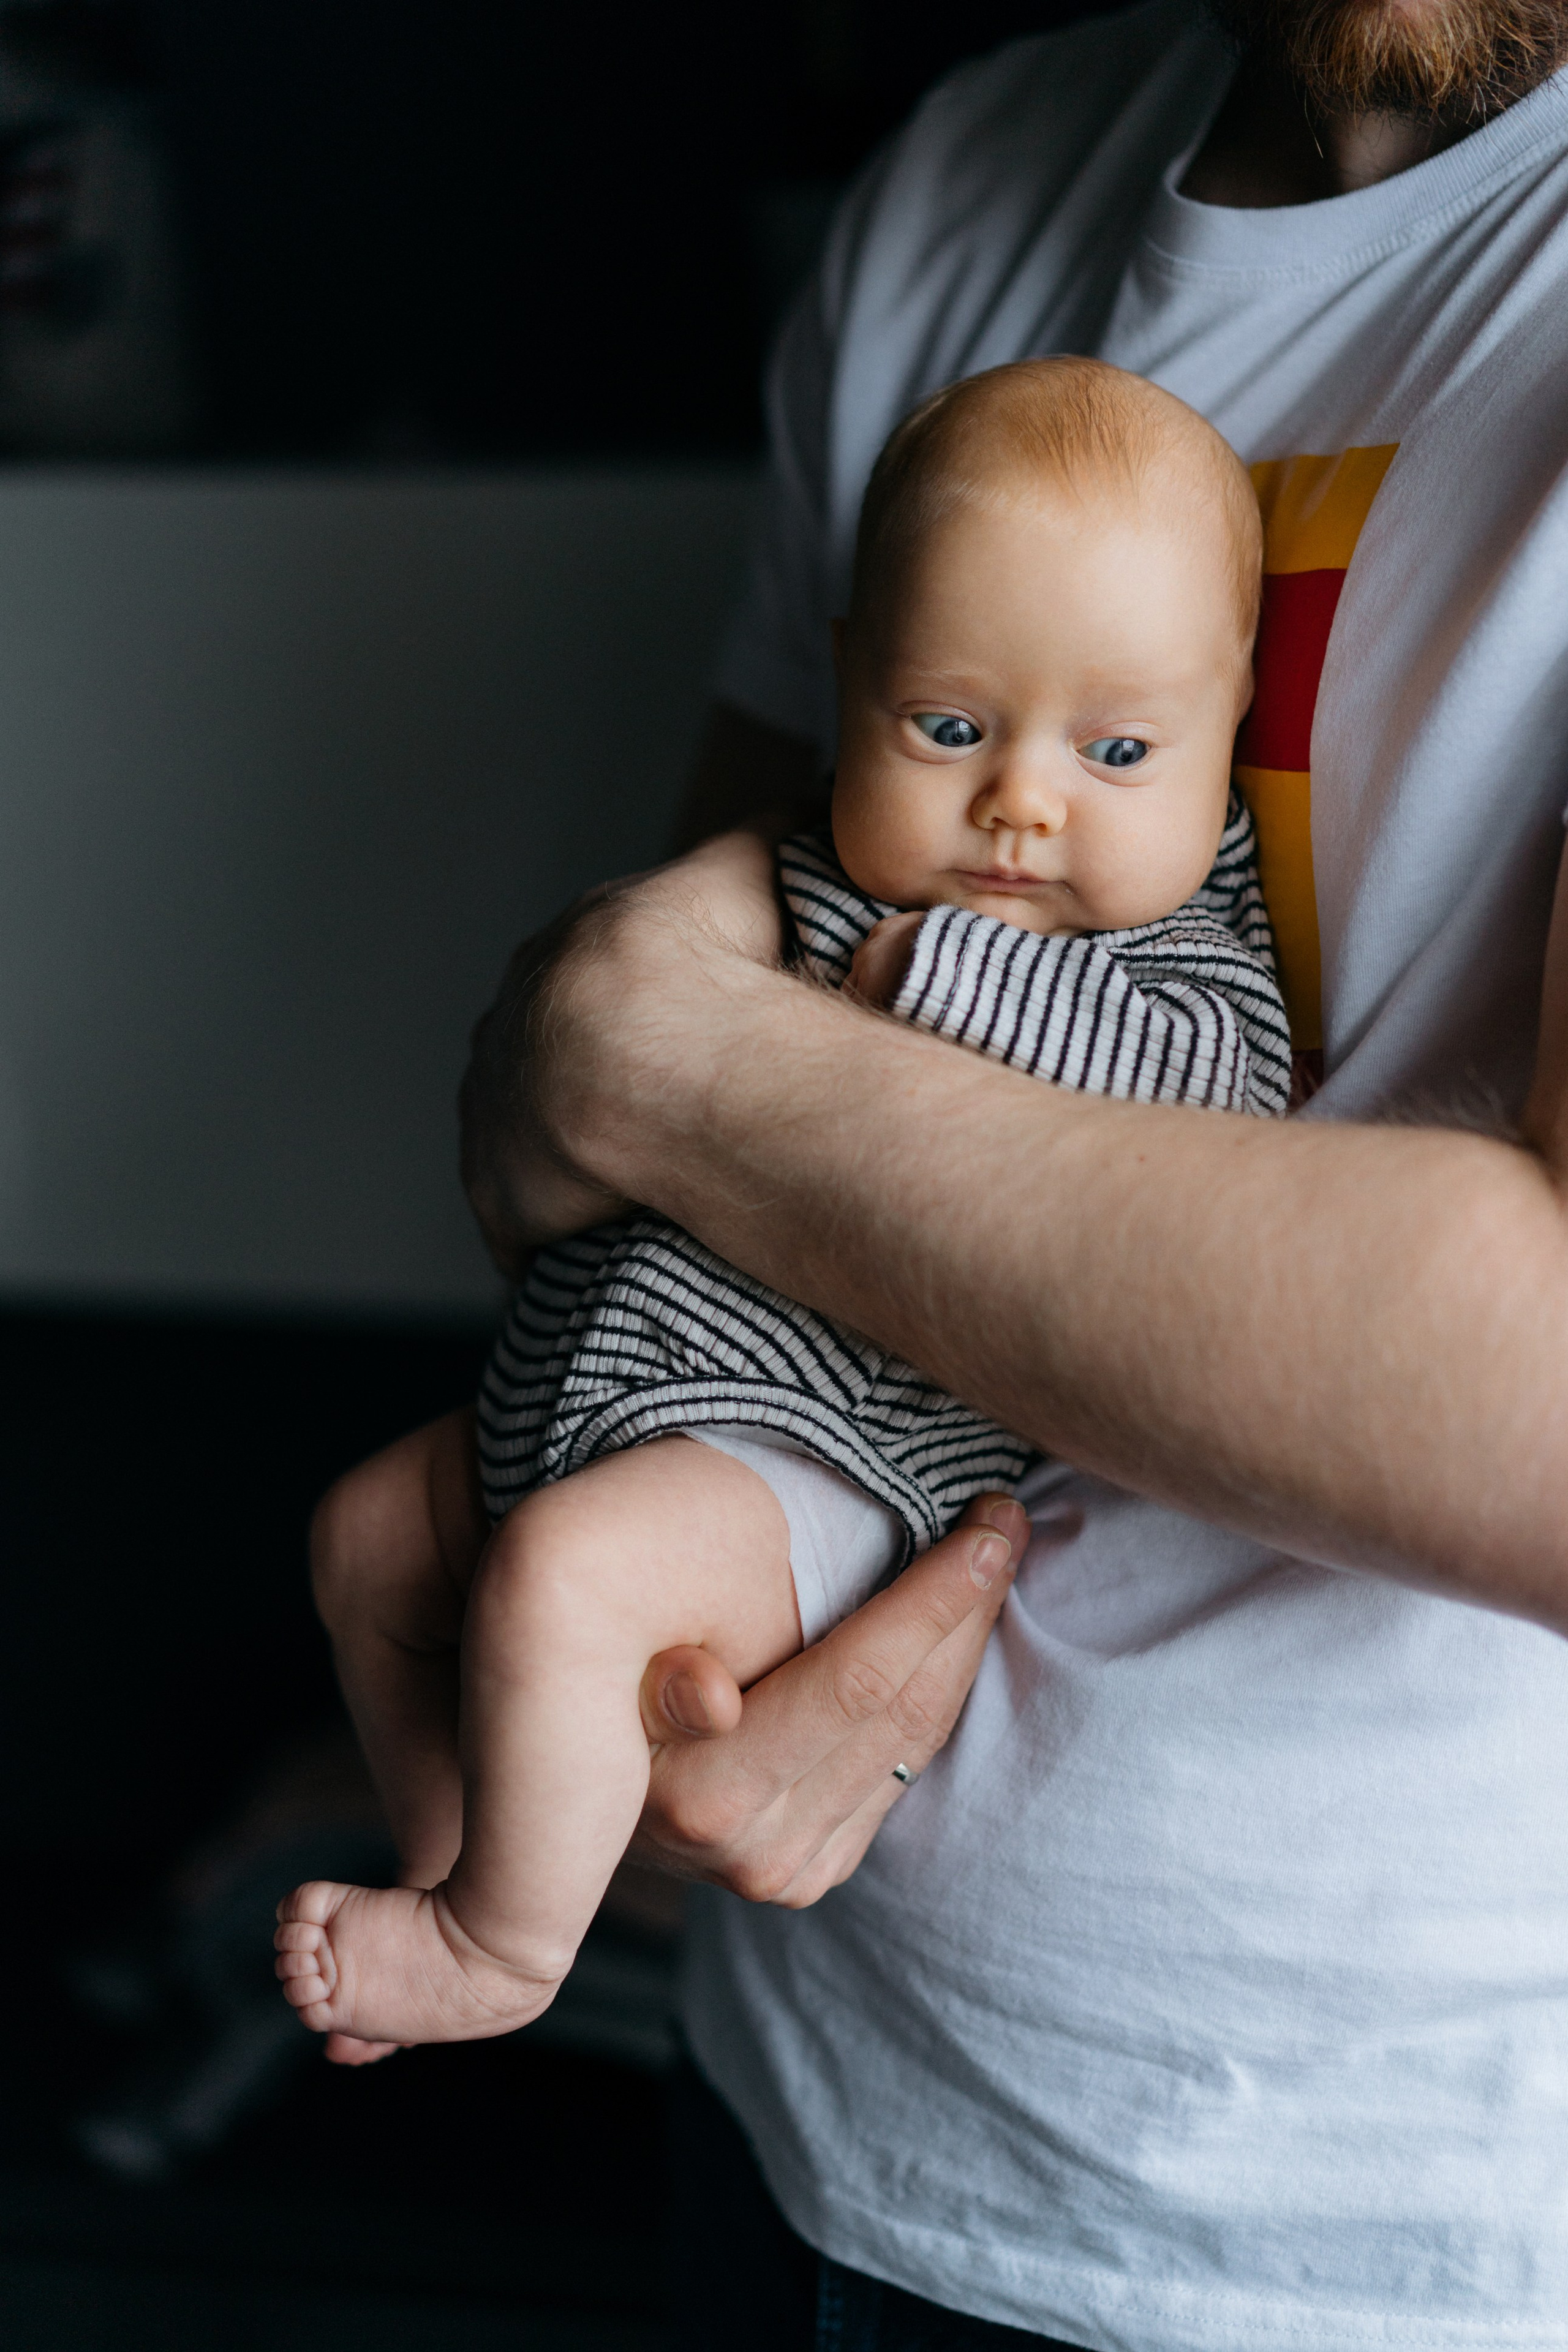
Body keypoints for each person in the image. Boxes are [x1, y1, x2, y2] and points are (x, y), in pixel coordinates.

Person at [447, 2, 1568, 2344]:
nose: (1021, 802)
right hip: (804, 2064)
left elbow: (1554, 1420)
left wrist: (638, 1052)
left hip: (1354, 2220)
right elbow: (566, 1166)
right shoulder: (974, 178)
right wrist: (623, 1082)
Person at [274, 358, 1289, 2060]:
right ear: (853, 687)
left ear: (1232, 720)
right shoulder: (808, 856)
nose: (1022, 804)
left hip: (827, 1460)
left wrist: (935, 972)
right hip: (607, 1399)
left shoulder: (1179, 964)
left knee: (566, 1584)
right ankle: (455, 1863)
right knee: (372, 1537)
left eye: (1118, 750)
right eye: (949, 726)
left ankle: (505, 1951)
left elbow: (1214, 1100)